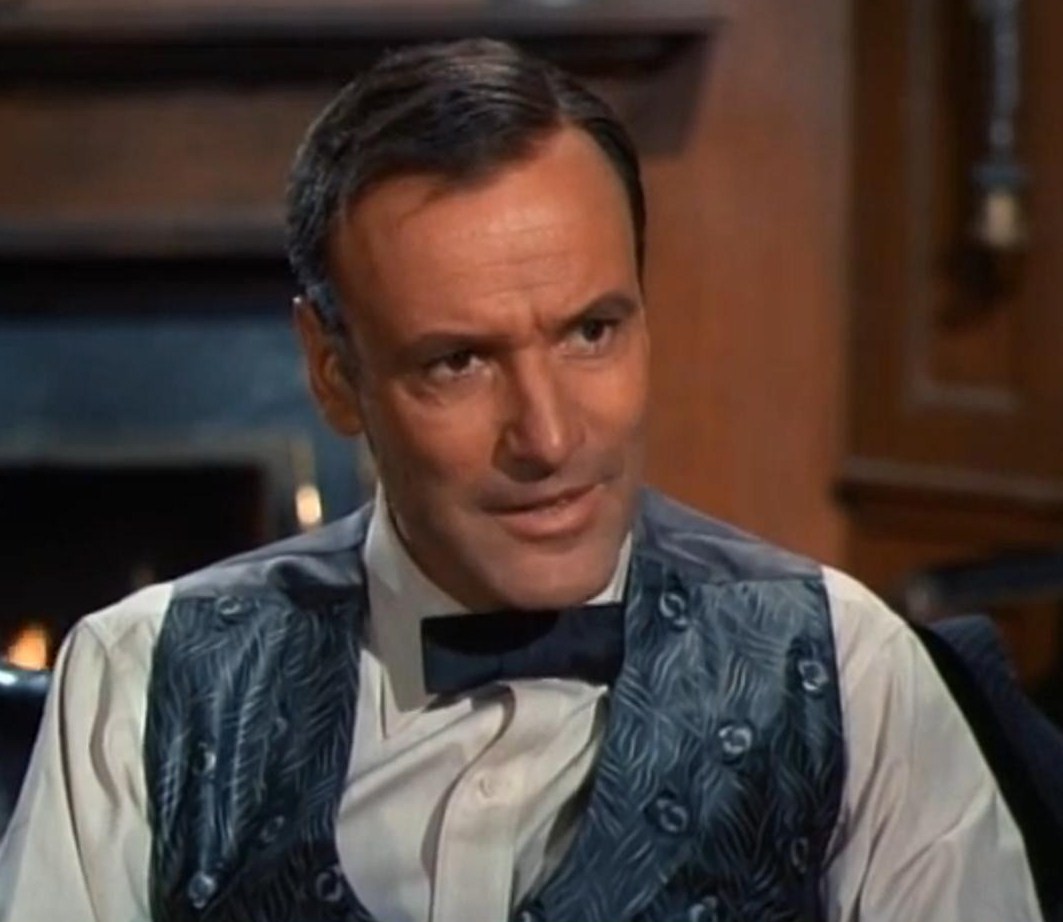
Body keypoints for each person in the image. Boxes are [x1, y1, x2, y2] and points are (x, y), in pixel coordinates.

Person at [0, 38, 1044, 922]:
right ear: (332, 373)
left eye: (591, 332)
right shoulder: (142, 683)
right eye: (457, 361)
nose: (547, 437)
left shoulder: (849, 674)